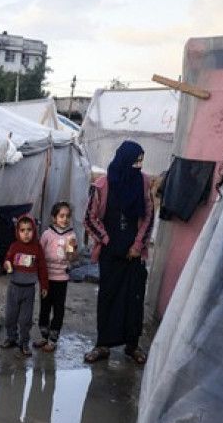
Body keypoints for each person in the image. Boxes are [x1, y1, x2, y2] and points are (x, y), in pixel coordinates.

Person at [84, 140, 153, 365]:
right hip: (110, 252)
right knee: (108, 297)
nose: (139, 165)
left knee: (134, 299)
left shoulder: (143, 183)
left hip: (133, 253)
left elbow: (149, 216)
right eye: (136, 161)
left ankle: (132, 345)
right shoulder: (103, 185)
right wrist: (105, 239)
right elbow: (89, 217)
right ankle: (102, 345)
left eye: (141, 161)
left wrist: (137, 245)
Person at [0, 215, 48, 356]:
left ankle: (24, 343)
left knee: (25, 320)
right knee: (10, 316)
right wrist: (7, 264)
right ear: (17, 232)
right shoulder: (14, 246)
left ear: (34, 231)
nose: (26, 233)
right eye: (22, 230)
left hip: (29, 290)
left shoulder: (37, 248)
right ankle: (11, 338)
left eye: (29, 230)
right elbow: (7, 260)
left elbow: (42, 268)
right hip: (14, 288)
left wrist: (44, 286)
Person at [34, 202, 79, 352]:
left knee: (58, 309)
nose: (65, 219)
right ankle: (43, 335)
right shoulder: (47, 234)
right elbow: (39, 254)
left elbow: (71, 258)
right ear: (54, 218)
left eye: (67, 216)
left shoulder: (71, 235)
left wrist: (71, 250)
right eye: (61, 216)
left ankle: (53, 339)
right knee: (45, 307)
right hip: (46, 279)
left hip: (61, 279)